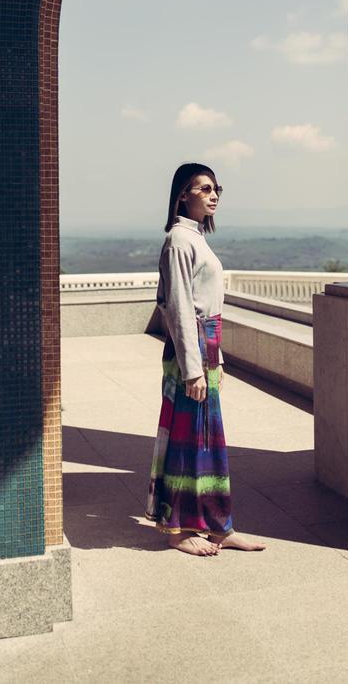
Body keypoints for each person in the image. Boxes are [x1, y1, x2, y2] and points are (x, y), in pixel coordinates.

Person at [145, 162, 266, 556]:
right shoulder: (179, 240)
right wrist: (194, 369)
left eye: (216, 188)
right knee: (187, 441)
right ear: (183, 194)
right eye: (204, 188)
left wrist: (218, 359)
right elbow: (178, 307)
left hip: (205, 345)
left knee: (209, 442)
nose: (213, 194)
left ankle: (218, 525)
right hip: (191, 349)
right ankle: (179, 531)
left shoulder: (195, 237)